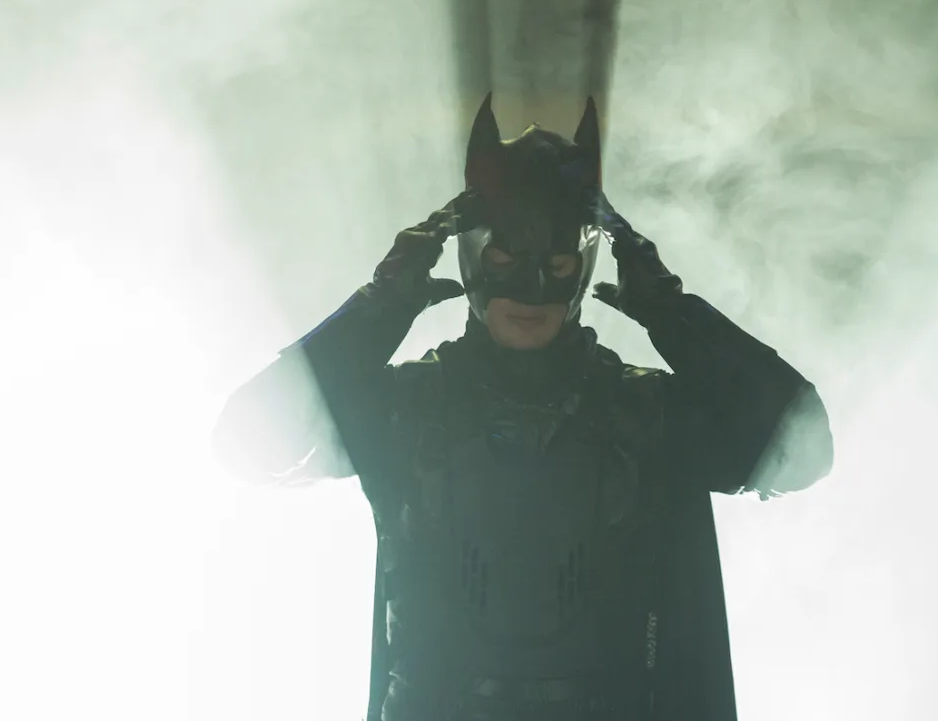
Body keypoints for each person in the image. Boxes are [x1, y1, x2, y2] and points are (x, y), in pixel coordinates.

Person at [211, 94, 834, 721]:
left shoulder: (644, 413)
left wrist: (673, 313)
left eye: (555, 260)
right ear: (472, 253)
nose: (531, 284)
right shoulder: (409, 408)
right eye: (506, 257)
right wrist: (378, 307)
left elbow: (802, 446)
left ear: (584, 262)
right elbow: (248, 442)